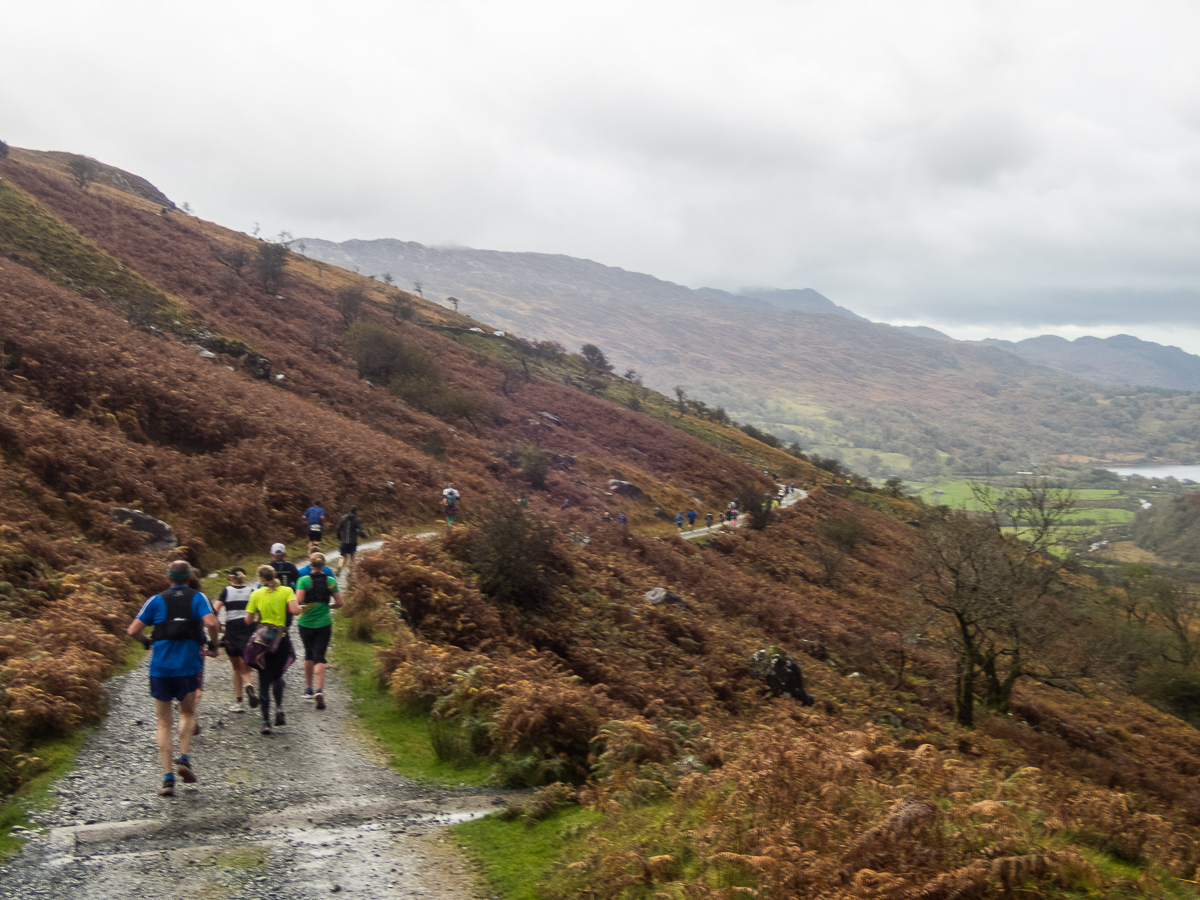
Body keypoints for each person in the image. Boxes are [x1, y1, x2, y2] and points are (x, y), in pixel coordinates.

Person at [126, 560, 219, 796]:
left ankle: (167, 778)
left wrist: (147, 642)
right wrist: (214, 643)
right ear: (189, 577)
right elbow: (211, 622)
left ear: (168, 578)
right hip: (187, 666)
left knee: (162, 722)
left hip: (160, 669)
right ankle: (184, 758)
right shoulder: (198, 598)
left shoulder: (156, 600)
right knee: (187, 713)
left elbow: (132, 630)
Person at [246, 565, 300, 735]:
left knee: (263, 678)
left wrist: (256, 616)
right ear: (275, 576)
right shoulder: (286, 591)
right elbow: (296, 610)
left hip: (263, 640)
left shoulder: (256, 594)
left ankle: (265, 722)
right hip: (281, 639)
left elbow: (248, 620)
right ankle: (279, 708)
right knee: (278, 676)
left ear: (260, 579)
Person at [295, 552, 343, 709]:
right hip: (324, 623)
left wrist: (301, 608)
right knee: (320, 656)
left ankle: (308, 689)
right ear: (324, 565)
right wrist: (328, 606)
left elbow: (298, 602)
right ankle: (319, 690)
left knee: (308, 653)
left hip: (306, 623)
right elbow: (339, 602)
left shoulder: (303, 580)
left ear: (310, 564)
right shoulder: (330, 581)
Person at [212, 567, 256, 713]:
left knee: (236, 668)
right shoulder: (251, 591)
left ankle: (239, 702)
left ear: (231, 578)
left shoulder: (226, 591)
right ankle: (249, 684)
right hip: (248, 629)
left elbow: (215, 609)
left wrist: (218, 625)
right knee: (247, 666)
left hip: (231, 630)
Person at [335, 506, 366, 574]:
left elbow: (338, 528)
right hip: (352, 541)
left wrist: (339, 537)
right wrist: (363, 536)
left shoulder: (343, 518)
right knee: (352, 556)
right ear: (356, 512)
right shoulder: (356, 520)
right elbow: (360, 531)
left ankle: (339, 567)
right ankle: (351, 572)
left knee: (343, 557)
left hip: (343, 541)